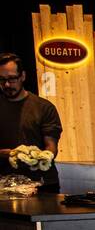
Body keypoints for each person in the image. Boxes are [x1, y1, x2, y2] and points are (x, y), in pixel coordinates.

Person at [0, 52, 62, 191]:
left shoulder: (44, 107)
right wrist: (6, 154)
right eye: (2, 80)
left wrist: (42, 157)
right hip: (4, 185)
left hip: (42, 183)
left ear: (23, 76)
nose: (7, 84)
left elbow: (51, 146)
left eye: (12, 79)